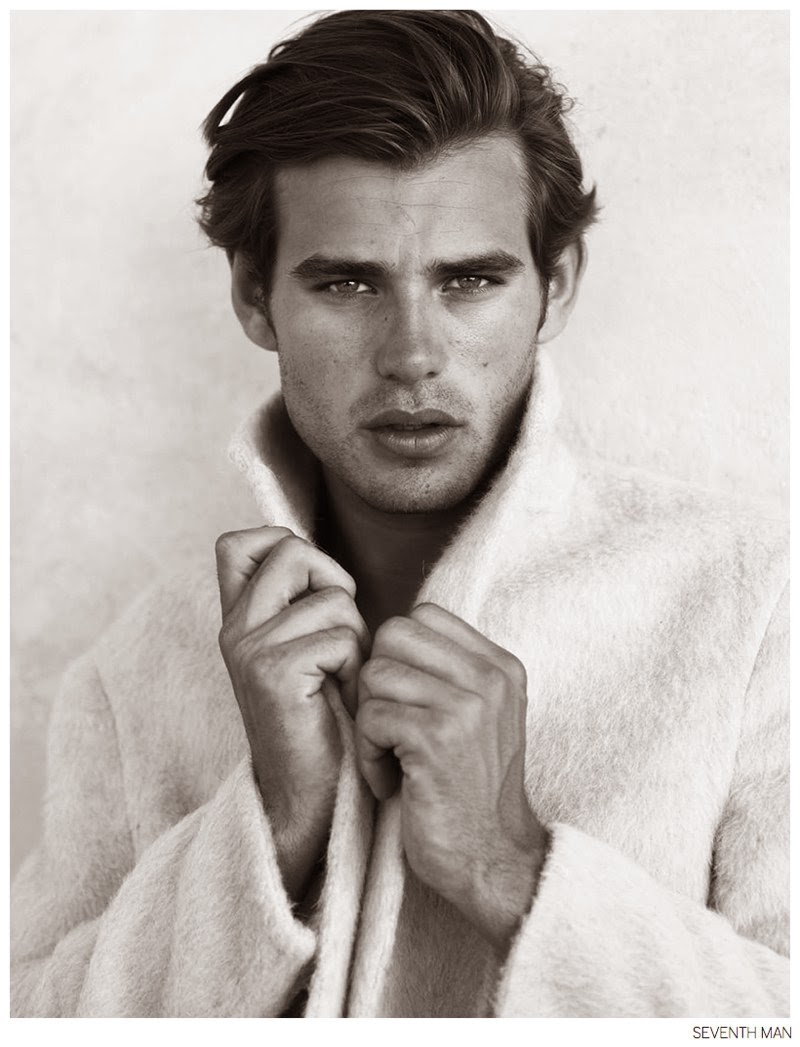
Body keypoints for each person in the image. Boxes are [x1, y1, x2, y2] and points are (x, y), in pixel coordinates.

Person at [11, 9, 788, 1018]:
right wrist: (272, 826)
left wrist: (508, 863)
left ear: (554, 287)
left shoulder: (754, 608)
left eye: (470, 280)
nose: (412, 354)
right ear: (254, 298)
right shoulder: (135, 670)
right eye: (346, 283)